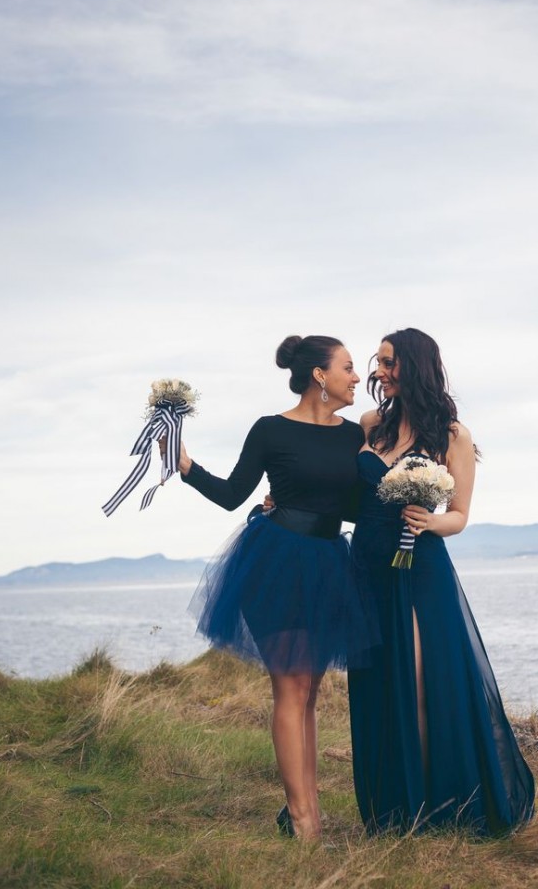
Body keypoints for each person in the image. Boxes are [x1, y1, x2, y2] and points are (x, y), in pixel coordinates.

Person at [177, 335, 377, 841]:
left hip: (330, 564)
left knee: (309, 692)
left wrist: (409, 493)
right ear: (319, 375)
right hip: (277, 562)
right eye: (349, 367)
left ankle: (305, 811)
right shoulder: (270, 429)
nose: (356, 378)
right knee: (290, 687)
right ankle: (305, 819)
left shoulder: (353, 436)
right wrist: (187, 469)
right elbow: (229, 495)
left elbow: (349, 507)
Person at [348, 328, 535, 836]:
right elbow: (340, 488)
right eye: (378, 363)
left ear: (413, 365)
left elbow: (460, 515)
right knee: (377, 683)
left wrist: (427, 521)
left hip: (421, 567)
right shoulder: (370, 425)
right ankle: (389, 807)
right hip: (366, 568)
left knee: (421, 680)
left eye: (388, 363)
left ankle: (434, 805)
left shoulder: (454, 435)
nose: (379, 372)